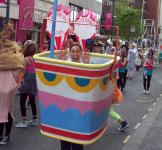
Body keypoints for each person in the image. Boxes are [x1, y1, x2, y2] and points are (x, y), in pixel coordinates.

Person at [59, 42, 90, 150]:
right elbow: (58, 82)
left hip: (79, 106)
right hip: (65, 105)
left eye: (77, 51)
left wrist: (86, 66)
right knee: (65, 137)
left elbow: (88, 85)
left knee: (77, 138)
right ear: (69, 52)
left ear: (81, 53)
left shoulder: (84, 64)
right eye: (73, 51)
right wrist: (61, 63)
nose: (75, 54)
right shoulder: (66, 63)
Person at [0, 24, 24, 144]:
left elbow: (19, 68)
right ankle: (1, 134)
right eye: (3, 36)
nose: (5, 39)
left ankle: (6, 135)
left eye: (7, 37)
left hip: (8, 85)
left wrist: (15, 82)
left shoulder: (16, 52)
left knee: (7, 109)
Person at [15, 40, 38, 128]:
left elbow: (23, 72)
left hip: (26, 82)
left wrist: (19, 80)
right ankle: (34, 119)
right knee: (32, 101)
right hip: (33, 82)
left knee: (22, 101)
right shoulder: (35, 59)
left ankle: (24, 121)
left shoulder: (26, 59)